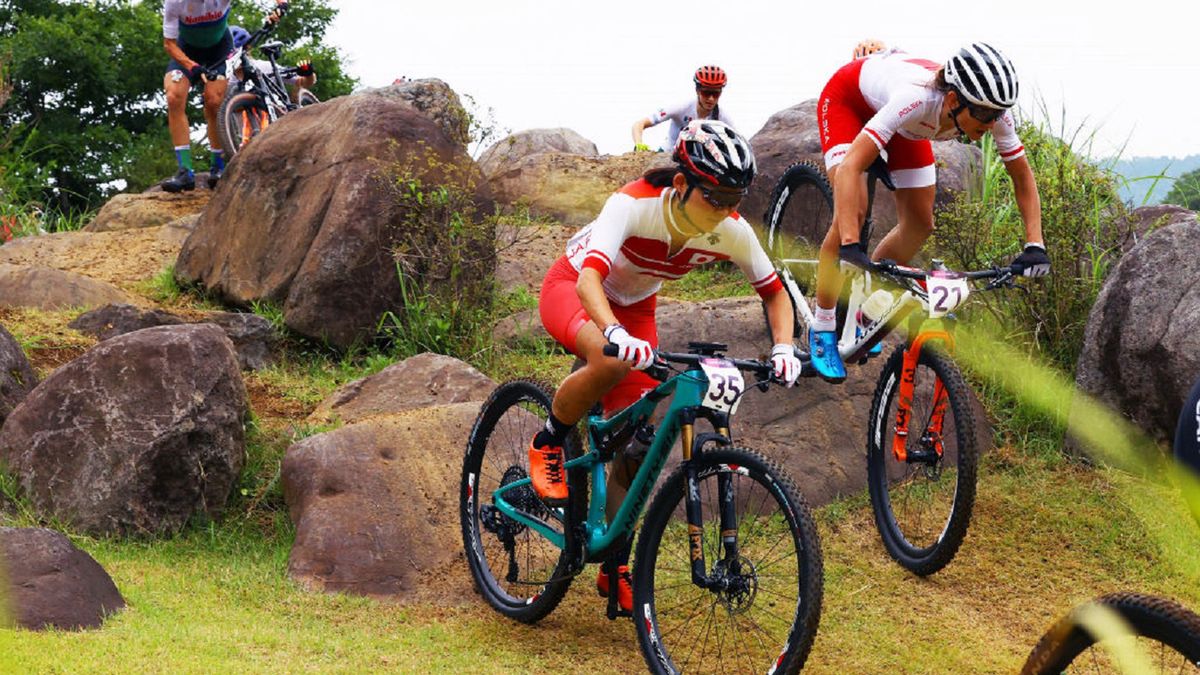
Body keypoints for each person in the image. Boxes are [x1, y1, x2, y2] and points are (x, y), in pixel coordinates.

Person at [529, 120, 801, 612]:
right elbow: (590, 281)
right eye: (714, 196)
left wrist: (784, 347)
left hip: (636, 309)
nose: (724, 210)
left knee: (639, 444)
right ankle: (549, 438)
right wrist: (612, 334)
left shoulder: (731, 231)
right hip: (574, 287)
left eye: (734, 199)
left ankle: (615, 566)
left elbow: (775, 295)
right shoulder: (632, 204)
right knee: (610, 363)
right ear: (682, 184)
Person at [808, 42, 1051, 382]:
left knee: (920, 223)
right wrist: (850, 246)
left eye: (997, 114)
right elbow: (849, 168)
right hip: (850, 101)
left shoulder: (991, 111)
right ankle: (822, 324)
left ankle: (867, 309)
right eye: (984, 115)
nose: (992, 122)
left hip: (907, 124)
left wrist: (1034, 245)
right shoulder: (917, 98)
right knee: (854, 211)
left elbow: (1022, 176)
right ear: (953, 100)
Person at [160, 0, 288, 192]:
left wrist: (281, 4)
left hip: (220, 49)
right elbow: (169, 44)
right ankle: (185, 171)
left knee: (213, 101)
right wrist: (192, 66)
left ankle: (217, 167)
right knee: (173, 96)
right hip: (186, 50)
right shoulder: (175, 2)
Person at [631, 66, 736, 153]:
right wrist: (639, 144)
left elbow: (738, 142)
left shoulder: (722, 117)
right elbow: (639, 124)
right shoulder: (681, 107)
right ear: (697, 91)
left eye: (716, 93)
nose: (711, 98)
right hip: (667, 154)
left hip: (695, 160)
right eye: (706, 93)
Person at [228, 25, 317, 104]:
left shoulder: (264, 67)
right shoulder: (226, 80)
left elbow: (302, 82)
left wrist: (308, 74)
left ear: (248, 50)